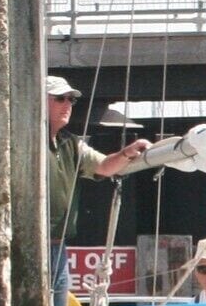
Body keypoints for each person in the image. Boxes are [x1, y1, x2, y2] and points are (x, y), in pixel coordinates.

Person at [46, 75, 150, 258]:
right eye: (60, 98)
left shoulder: (71, 143)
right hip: (29, 243)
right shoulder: (26, 142)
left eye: (71, 99)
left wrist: (127, 152)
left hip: (58, 246)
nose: (68, 105)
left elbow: (104, 166)